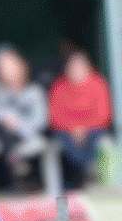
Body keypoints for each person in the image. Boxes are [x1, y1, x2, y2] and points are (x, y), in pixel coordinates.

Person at [0, 44, 48, 192]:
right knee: (2, 128)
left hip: (25, 134)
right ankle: (17, 167)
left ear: (20, 65)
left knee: (9, 132)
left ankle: (20, 173)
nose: (6, 70)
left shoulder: (34, 91)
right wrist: (5, 117)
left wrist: (17, 123)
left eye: (9, 66)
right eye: (1, 67)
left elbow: (41, 121)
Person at [48, 50, 112, 190]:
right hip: (66, 131)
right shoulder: (58, 87)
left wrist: (84, 127)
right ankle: (76, 180)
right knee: (63, 144)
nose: (76, 71)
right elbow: (55, 117)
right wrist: (74, 128)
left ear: (88, 68)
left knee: (101, 141)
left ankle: (100, 183)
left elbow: (104, 115)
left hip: (94, 129)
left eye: (80, 67)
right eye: (72, 67)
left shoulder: (99, 84)